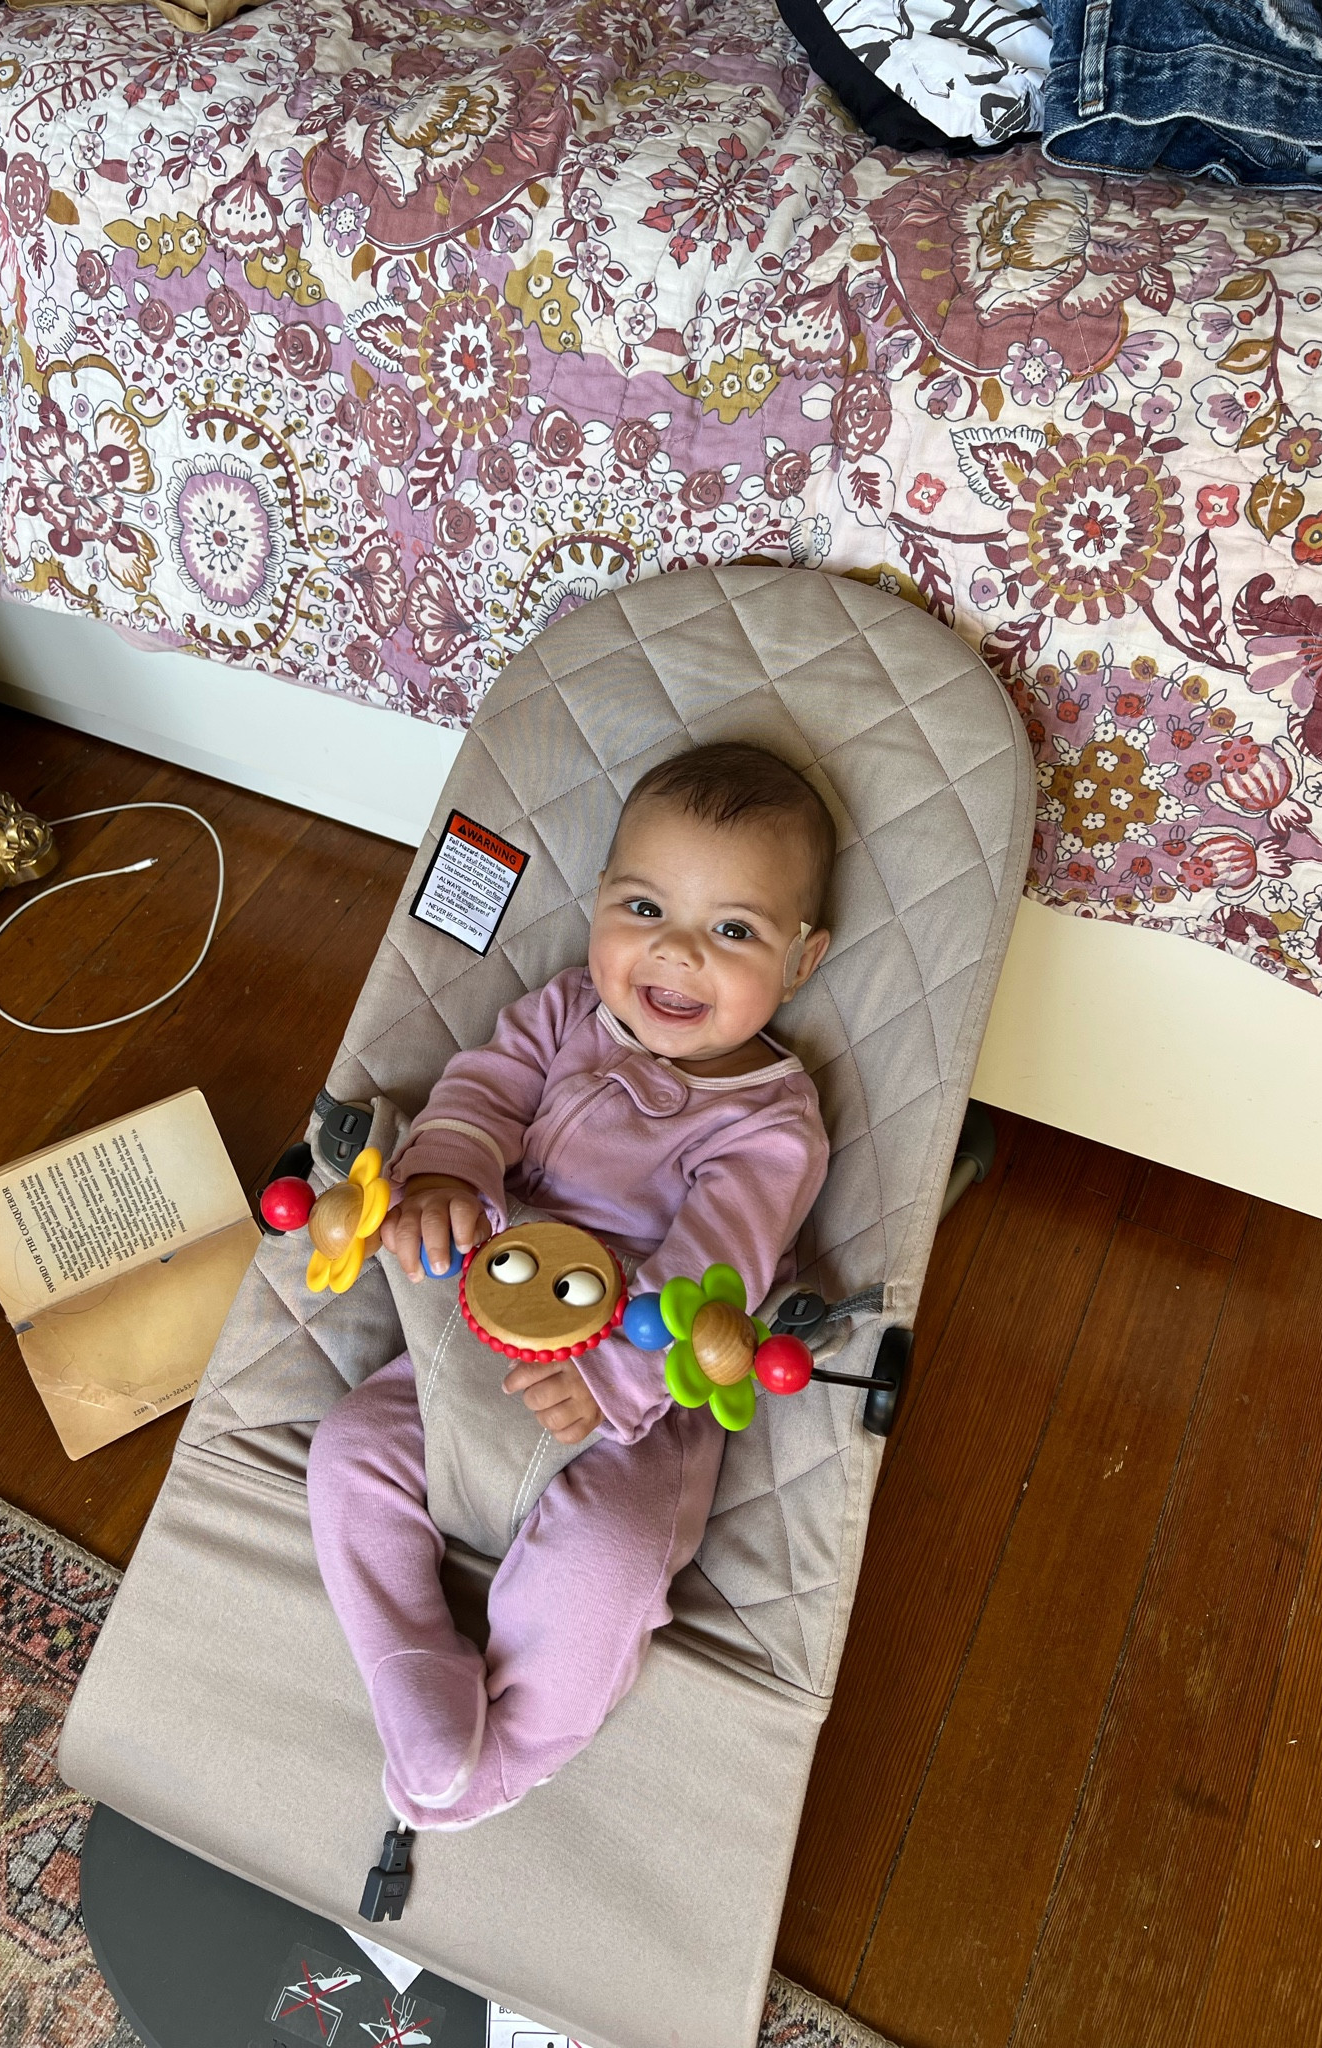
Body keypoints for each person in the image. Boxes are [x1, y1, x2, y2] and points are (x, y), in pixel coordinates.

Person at [306, 741, 835, 1828]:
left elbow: (714, 1260)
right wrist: (448, 1172)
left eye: (734, 930)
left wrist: (616, 1377)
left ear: (802, 960)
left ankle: (503, 1753)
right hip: (473, 1351)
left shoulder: (771, 1122)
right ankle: (412, 1658)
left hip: (628, 1413)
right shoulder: (559, 1017)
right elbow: (480, 1096)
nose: (677, 951)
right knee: (350, 1451)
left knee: (611, 1561)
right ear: (597, 903)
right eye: (644, 905)